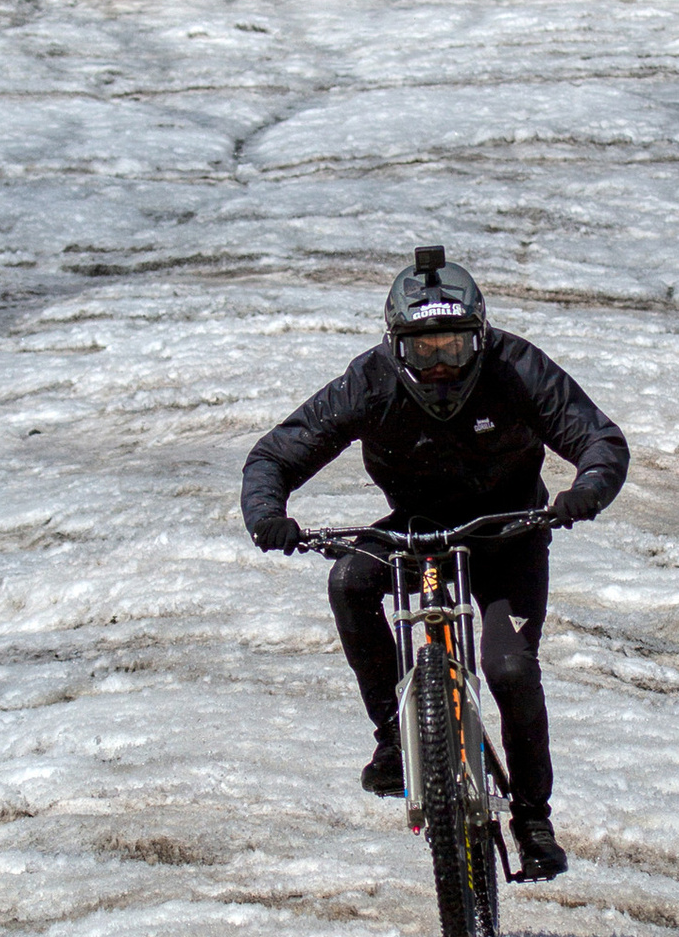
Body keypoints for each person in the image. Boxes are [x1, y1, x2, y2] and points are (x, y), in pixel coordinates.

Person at [240, 245, 628, 878]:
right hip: (416, 531)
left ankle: (533, 818)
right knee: (348, 581)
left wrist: (585, 491)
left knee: (507, 668)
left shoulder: (517, 367)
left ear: (482, 336)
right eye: (426, 350)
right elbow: (275, 457)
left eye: (455, 347)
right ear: (396, 346)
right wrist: (268, 515)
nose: (442, 365)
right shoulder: (369, 383)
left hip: (509, 531)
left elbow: (598, 438)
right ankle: (393, 740)